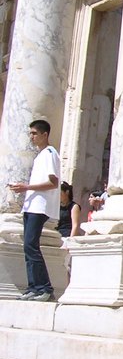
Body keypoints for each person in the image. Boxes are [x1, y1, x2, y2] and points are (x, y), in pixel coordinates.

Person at [8, 119, 60, 302]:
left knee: (31, 245)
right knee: (28, 247)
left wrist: (26, 187)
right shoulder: (40, 156)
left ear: (45, 134)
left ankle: (44, 287)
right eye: (30, 133)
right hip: (31, 206)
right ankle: (33, 287)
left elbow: (53, 182)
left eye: (34, 133)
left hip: (40, 206)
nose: (31, 137)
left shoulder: (50, 153)